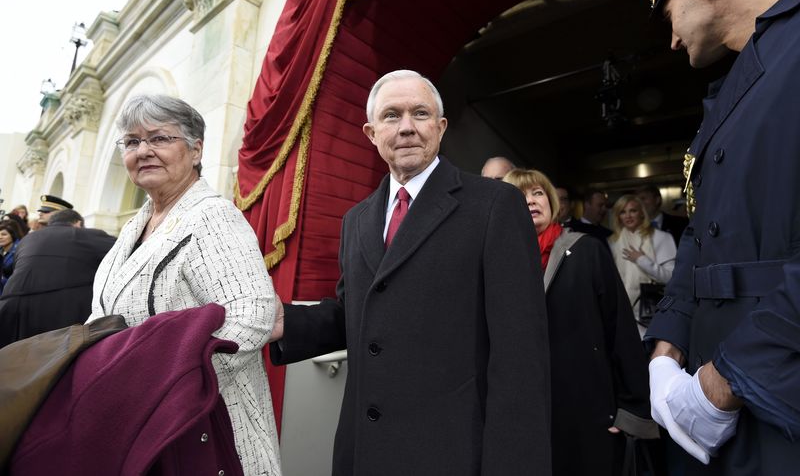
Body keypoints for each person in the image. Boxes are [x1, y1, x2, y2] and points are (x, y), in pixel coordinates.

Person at [270, 70, 551, 475]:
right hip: (365, 452)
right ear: (370, 133)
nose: (406, 127)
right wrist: (288, 322)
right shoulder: (356, 220)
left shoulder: (493, 205)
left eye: (420, 113)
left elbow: (520, 353)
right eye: (391, 115)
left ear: (440, 127)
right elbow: (359, 314)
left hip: (452, 452)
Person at [633, 0, 800, 473]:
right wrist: (666, 350)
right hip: (718, 405)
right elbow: (699, 236)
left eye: (669, 11)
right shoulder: (734, 84)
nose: (674, 36)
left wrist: (723, 383)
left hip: (773, 399)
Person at [84, 95, 281, 475]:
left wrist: (165, 387)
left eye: (159, 138)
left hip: (202, 427)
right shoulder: (132, 227)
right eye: (132, 142)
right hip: (134, 422)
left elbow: (252, 317)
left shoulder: (214, 217)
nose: (143, 151)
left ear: (195, 150)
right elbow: (103, 314)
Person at [504, 169, 656, 476]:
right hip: (524, 412)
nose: (531, 200)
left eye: (538, 193)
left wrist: (632, 408)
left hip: (586, 406)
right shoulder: (500, 261)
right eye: (520, 195)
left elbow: (620, 329)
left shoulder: (586, 249)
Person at [0, 209, 116, 348]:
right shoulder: (83, 234)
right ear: (78, 223)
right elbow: (127, 249)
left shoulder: (29, 238)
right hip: (57, 311)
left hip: (11, 306)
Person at [608, 194, 676, 337]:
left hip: (653, 311)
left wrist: (642, 260)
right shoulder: (613, 242)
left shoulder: (661, 237)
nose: (628, 216)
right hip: (623, 312)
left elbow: (671, 278)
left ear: (642, 213)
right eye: (622, 212)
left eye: (633, 210)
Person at [0, 222, 21, 294]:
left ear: (12, 235)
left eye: (4, 234)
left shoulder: (20, 250)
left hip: (11, 292)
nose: (0, 237)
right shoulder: (1, 249)